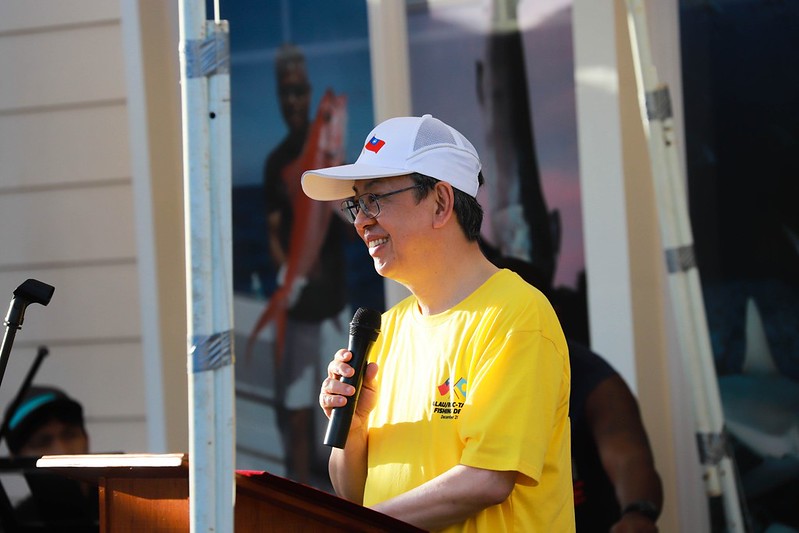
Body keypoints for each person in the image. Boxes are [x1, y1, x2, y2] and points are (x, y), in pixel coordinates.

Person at [302, 114, 574, 531]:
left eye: (374, 199)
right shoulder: (386, 330)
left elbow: (487, 480)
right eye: (356, 204)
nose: (360, 221)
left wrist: (354, 527)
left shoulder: (516, 315)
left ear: (441, 202)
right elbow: (355, 494)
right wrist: (353, 431)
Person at [487, 254, 663, 532]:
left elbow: (628, 455)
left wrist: (637, 513)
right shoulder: (467, 372)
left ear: (553, 314)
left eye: (517, 315)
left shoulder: (594, 381)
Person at [259, 43, 349, 485]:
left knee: (348, 413)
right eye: (286, 92)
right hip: (298, 309)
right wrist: (289, 277)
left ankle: (342, 504)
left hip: (334, 306)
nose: (293, 100)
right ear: (279, 96)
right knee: (297, 412)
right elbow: (273, 233)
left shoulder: (333, 159)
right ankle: (295, 500)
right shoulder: (276, 163)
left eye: (300, 91)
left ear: (309, 93)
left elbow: (353, 223)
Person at [2, 385, 97, 530]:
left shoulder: (125, 506)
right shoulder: (17, 523)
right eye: (42, 442)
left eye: (70, 435)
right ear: (16, 458)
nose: (62, 451)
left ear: (86, 439)